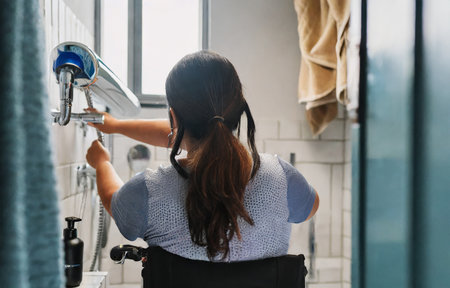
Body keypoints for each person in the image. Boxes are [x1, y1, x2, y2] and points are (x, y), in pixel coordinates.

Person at [86, 50, 319, 262]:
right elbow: (312, 206)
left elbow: (111, 199)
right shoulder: (280, 177)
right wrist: (116, 126)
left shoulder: (148, 191)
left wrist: (102, 162)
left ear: (174, 118)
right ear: (238, 111)